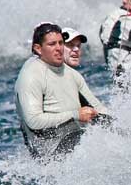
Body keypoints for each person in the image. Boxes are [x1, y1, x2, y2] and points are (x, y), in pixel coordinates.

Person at [15, 23, 107, 158]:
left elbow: (98, 108)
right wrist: (76, 114)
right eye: (52, 44)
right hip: (49, 155)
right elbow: (34, 121)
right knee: (90, 139)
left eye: (60, 43)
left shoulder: (72, 74)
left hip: (75, 141)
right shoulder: (31, 75)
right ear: (38, 49)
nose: (58, 48)